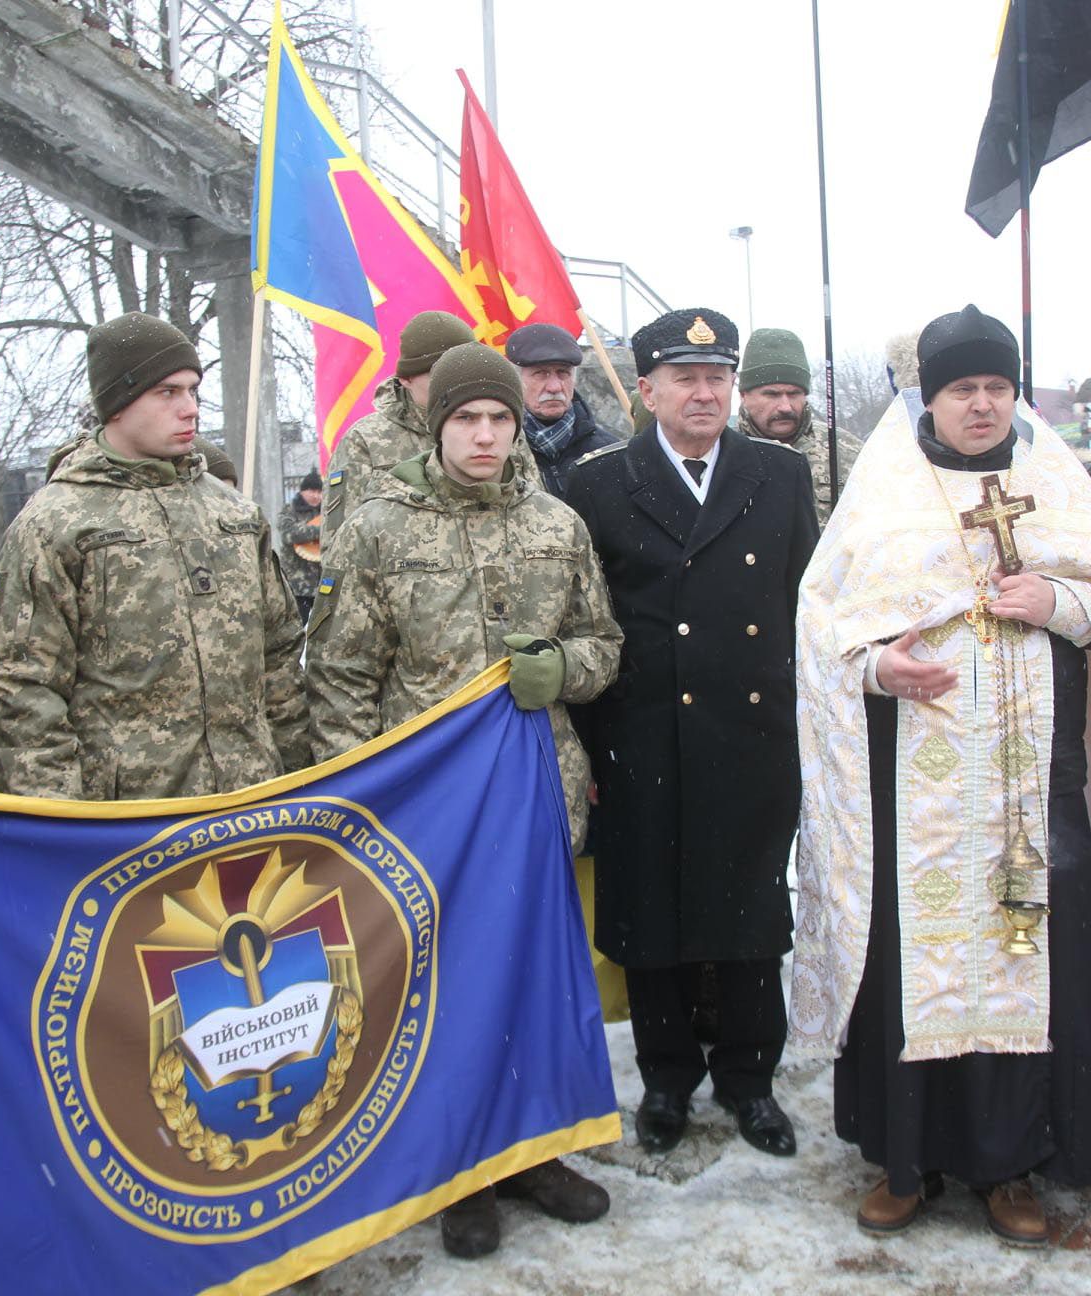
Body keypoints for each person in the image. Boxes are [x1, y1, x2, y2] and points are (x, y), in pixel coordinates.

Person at [793, 305, 1091, 1245]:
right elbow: (825, 632)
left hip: (1035, 786)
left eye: (996, 388)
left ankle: (1013, 1165)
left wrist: (1062, 601)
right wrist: (878, 668)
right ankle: (907, 1160)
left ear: (1014, 396)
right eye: (961, 389)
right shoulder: (884, 499)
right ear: (929, 399)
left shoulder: (1056, 487)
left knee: (1033, 957)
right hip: (919, 789)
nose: (980, 405)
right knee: (922, 956)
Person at [306, 343, 622, 1259]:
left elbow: (602, 643)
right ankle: (462, 1169)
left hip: (535, 790)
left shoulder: (556, 524)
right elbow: (340, 677)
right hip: (426, 804)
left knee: (533, 974)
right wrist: (355, 801)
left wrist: (562, 667)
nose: (484, 436)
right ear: (436, 423)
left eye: (499, 420)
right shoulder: (375, 529)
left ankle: (538, 1149)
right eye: (465, 420)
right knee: (442, 987)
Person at [564, 307, 819, 1160]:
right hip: (642, 737)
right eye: (684, 378)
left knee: (749, 908)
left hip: (750, 735)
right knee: (651, 911)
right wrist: (594, 747)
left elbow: (801, 607)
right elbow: (588, 619)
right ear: (647, 390)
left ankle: (750, 1079)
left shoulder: (779, 477)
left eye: (717, 378)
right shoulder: (599, 485)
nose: (704, 392)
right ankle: (667, 1077)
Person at [0, 312, 309, 798]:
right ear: (117, 402)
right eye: (168, 392)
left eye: (193, 390)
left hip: (247, 802)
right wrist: (61, 820)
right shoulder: (55, 523)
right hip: (129, 823)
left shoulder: (234, 513)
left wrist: (300, 779)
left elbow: (278, 660)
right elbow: (22, 689)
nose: (190, 409)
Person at [319, 310, 538, 550]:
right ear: (406, 378)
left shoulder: (498, 428)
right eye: (439, 372)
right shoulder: (366, 440)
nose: (453, 381)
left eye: (463, 370)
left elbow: (537, 511)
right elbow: (341, 545)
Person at [737, 327, 862, 527]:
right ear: (744, 395)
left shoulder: (848, 451)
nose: (785, 406)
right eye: (772, 394)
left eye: (794, 393)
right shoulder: (722, 454)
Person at [505, 321, 620, 497]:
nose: (554, 387)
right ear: (516, 380)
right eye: (541, 373)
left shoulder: (609, 453)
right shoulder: (499, 451)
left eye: (563, 373)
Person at [278, 470, 324, 625]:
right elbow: (288, 534)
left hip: (322, 583)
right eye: (312, 491)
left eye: (319, 492)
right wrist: (319, 531)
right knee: (296, 628)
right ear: (302, 491)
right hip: (297, 583)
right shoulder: (290, 510)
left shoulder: (326, 511)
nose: (316, 496)